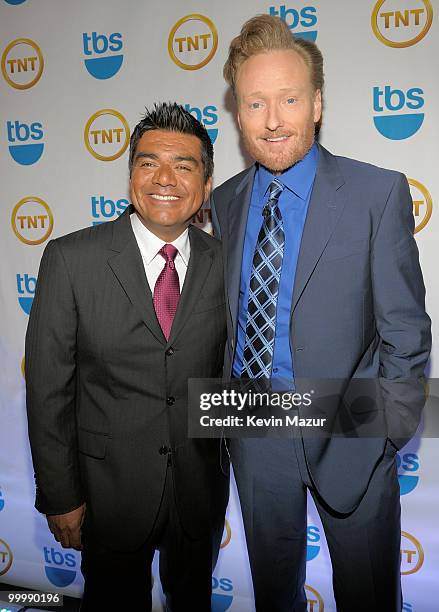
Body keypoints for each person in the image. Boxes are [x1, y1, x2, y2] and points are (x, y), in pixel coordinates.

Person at [210, 15, 431, 612]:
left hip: (354, 428)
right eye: (256, 103)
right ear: (238, 113)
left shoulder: (375, 193)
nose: (273, 120)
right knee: (272, 596)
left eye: (288, 99)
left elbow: (405, 329)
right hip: (254, 429)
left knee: (368, 596)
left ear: (317, 104)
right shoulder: (224, 201)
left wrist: (387, 434)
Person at [25, 102, 229, 611]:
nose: (165, 178)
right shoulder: (71, 259)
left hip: (198, 493)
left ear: (205, 187)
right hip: (107, 494)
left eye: (184, 166)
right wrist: (59, 494)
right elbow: (49, 388)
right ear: (131, 175)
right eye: (148, 162)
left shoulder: (227, 263)